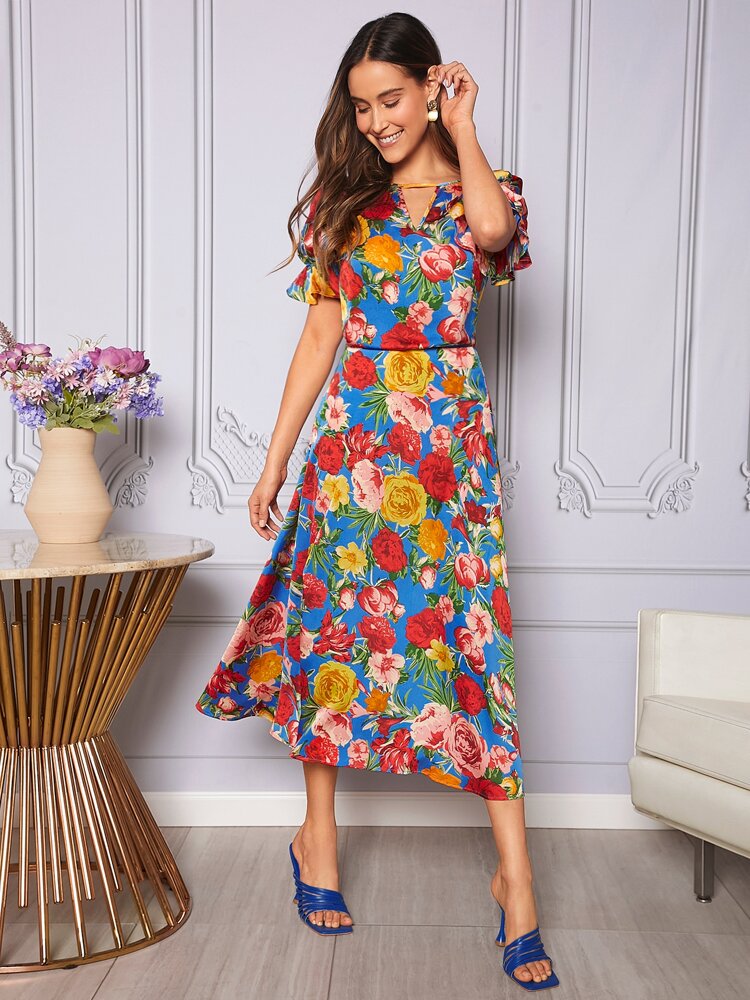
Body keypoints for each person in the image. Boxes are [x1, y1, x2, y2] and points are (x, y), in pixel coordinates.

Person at [195, 12, 558, 992]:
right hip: (353, 451)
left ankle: (516, 880)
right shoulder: (343, 202)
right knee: (334, 637)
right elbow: (320, 335)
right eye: (360, 107)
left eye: (390, 99)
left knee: (474, 647)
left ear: (432, 86)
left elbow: (493, 236)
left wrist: (463, 126)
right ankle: (317, 836)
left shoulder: (487, 189)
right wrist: (274, 463)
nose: (376, 121)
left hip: (450, 457)